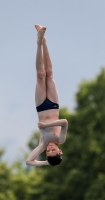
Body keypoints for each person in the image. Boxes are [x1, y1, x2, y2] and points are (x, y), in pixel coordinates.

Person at [26, 24, 68, 166]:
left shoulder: (43, 143)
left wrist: (47, 163)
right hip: (53, 105)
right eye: (53, 150)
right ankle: (44, 40)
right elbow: (64, 122)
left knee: (40, 75)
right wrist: (46, 125)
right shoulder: (60, 139)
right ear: (59, 150)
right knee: (49, 74)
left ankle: (39, 43)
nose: (49, 148)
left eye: (48, 152)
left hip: (42, 107)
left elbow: (29, 162)